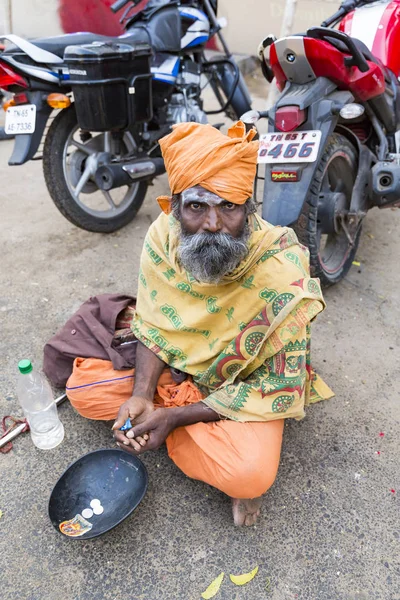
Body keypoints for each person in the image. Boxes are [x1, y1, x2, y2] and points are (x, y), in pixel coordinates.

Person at [66, 121, 333, 526]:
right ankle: (161, 415)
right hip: (176, 370)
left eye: (228, 206)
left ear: (249, 208)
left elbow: (278, 386)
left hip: (239, 386)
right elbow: (154, 324)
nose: (212, 223)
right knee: (81, 391)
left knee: (249, 474)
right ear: (175, 208)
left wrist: (175, 416)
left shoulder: (281, 268)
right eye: (196, 207)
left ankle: (165, 421)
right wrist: (141, 394)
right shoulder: (163, 237)